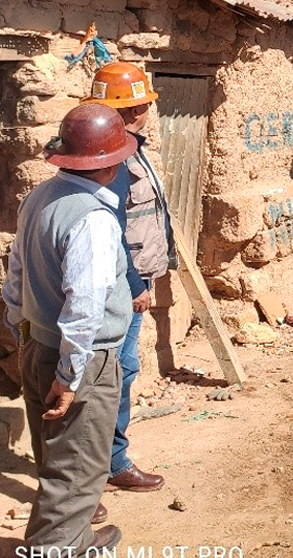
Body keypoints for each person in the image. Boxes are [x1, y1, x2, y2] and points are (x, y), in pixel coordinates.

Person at [2, 103, 135, 552]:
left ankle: (77, 541)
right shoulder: (92, 219)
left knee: (55, 457)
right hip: (82, 359)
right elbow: (85, 305)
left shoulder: (39, 197)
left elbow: (15, 274)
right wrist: (70, 373)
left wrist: (22, 333)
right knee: (75, 472)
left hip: (39, 344)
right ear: (110, 163)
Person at [81, 62, 173, 499]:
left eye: (141, 105)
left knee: (119, 371)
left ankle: (108, 462)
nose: (143, 112)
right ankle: (101, 469)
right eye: (137, 105)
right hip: (121, 284)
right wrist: (136, 285)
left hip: (133, 277)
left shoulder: (131, 147)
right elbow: (111, 227)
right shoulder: (112, 159)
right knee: (111, 374)